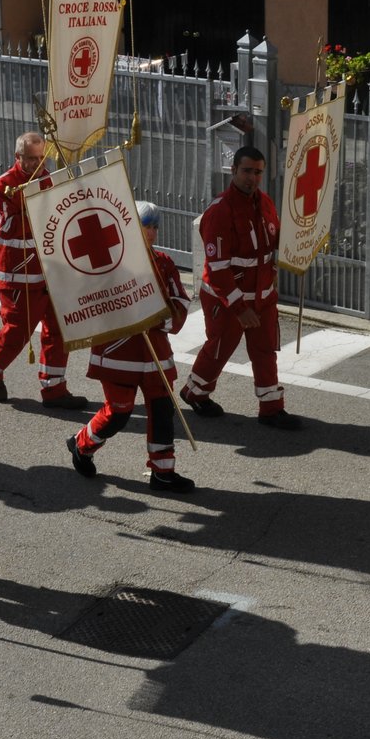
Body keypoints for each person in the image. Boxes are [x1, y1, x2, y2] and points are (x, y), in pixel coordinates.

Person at [67, 201, 195, 493]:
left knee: (163, 410)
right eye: (145, 225)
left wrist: (158, 319)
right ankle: (82, 445)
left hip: (155, 353)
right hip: (117, 351)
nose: (150, 232)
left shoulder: (164, 261)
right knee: (119, 412)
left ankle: (163, 472)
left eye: (154, 227)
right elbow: (92, 304)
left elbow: (180, 301)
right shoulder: (108, 265)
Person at [180, 144, 299, 429]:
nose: (252, 178)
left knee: (265, 349)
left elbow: (275, 240)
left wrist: (302, 245)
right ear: (233, 170)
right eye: (247, 171)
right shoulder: (220, 211)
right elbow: (218, 270)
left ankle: (271, 407)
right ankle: (195, 392)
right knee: (220, 348)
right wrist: (239, 307)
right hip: (227, 299)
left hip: (262, 296)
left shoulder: (266, 202)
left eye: (258, 172)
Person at [0, 131, 87, 409]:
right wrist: (39, 213)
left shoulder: (49, 180)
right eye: (31, 158)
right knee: (17, 331)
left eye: (41, 158)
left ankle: (54, 389)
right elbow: (5, 227)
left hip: (52, 271)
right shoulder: (4, 186)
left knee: (58, 330)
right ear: (18, 157)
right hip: (19, 275)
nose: (37, 164)